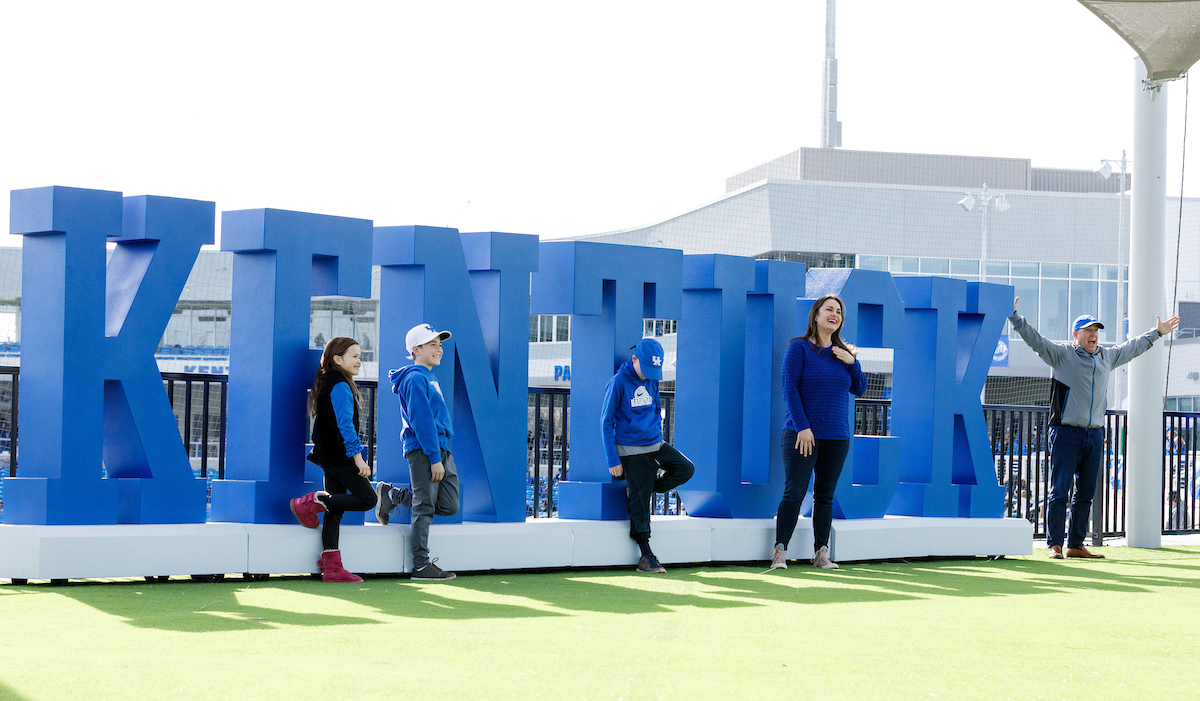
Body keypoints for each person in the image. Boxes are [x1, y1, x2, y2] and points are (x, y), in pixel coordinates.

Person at [1011, 296, 1179, 559]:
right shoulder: (1062, 354)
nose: (1094, 335)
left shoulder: (1107, 357)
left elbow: (1132, 347)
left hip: (1095, 434)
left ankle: (1075, 545)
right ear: (1076, 334)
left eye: (1096, 331)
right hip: (1065, 432)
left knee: (1086, 493)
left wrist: (1157, 332)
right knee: (1059, 490)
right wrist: (1014, 317)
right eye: (1088, 330)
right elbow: (1035, 340)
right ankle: (1054, 544)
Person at [770, 294, 866, 570]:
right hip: (803, 435)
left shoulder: (843, 355)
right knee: (794, 493)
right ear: (816, 315)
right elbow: (790, 389)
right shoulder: (798, 348)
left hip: (837, 437)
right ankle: (779, 552)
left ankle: (821, 553)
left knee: (825, 496)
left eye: (839, 311)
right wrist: (803, 427)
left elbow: (859, 389)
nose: (834, 314)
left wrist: (852, 361)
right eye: (829, 310)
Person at [374, 323, 460, 581]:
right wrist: (434, 458)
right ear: (415, 350)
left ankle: (391, 495)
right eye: (432, 344)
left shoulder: (428, 376)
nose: (439, 349)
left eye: (440, 344)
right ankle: (421, 566)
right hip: (425, 451)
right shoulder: (414, 378)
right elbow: (422, 422)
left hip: (440, 448)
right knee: (424, 508)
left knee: (449, 504)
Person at [601, 337, 694, 574]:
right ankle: (646, 556)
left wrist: (656, 433)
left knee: (685, 468)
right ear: (634, 359)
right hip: (630, 450)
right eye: (647, 368)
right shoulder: (618, 382)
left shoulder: (651, 380)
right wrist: (613, 459)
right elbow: (606, 422)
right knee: (640, 504)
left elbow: (655, 408)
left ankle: (642, 486)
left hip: (655, 443)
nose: (650, 374)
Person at [289, 337, 377, 583]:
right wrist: (358, 458)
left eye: (361, 356)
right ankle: (310, 503)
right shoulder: (339, 385)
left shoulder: (329, 382)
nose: (360, 361)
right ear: (338, 359)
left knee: (335, 510)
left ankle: (332, 567)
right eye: (355, 356)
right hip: (339, 455)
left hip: (330, 454)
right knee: (368, 498)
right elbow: (346, 426)